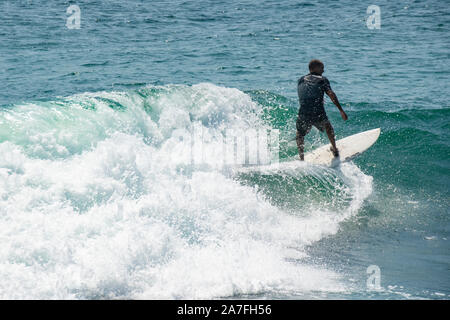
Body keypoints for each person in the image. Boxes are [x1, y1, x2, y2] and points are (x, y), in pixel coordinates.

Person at [296, 59, 348, 160]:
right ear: (315, 68)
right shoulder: (322, 79)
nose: (323, 70)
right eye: (322, 68)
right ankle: (334, 149)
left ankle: (301, 158)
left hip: (303, 111)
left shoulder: (300, 80)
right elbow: (331, 94)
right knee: (328, 127)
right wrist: (341, 110)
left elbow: (304, 94)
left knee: (300, 133)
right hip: (317, 111)